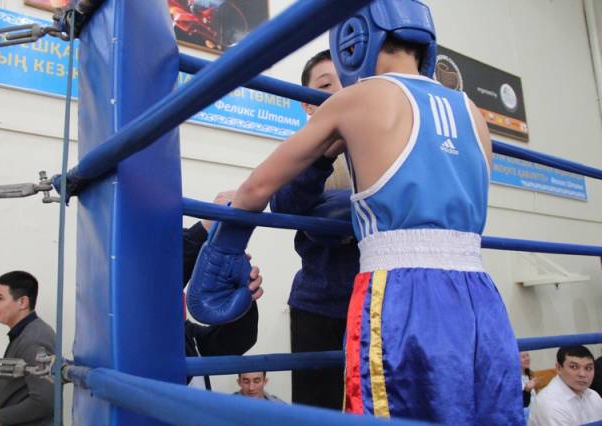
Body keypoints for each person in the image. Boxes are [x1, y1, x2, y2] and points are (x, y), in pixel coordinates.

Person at [187, 1, 523, 423]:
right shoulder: (471, 111)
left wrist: (225, 248)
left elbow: (257, 188)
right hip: (478, 293)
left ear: (352, 40)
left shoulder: (358, 99)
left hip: (397, 292)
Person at [270, 49, 358, 410]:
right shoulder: (298, 148)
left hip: (375, 298)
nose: (338, 90)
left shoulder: (378, 141)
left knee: (376, 405)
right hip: (317, 302)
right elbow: (282, 205)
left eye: (346, 81)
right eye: (325, 85)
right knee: (315, 410)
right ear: (308, 104)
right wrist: (323, 154)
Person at [183, 191, 262, 389]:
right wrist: (208, 226)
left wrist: (239, 291)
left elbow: (235, 343)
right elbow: (161, 274)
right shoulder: (132, 330)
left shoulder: (187, 335)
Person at [0, 271, 55, 426]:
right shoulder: (25, 333)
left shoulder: (34, 339)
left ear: (22, 302)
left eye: (0, 298)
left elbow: (44, 402)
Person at [528, 346, 602, 426]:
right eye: (574, 367)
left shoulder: (594, 396)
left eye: (588, 368)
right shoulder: (549, 403)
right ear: (558, 368)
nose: (582, 374)